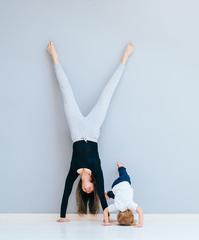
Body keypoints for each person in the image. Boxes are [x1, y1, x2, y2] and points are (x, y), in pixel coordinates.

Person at [46, 41, 134, 222]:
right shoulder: (97, 171)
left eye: (86, 191)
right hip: (93, 131)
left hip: (76, 131)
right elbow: (103, 199)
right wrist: (107, 219)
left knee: (66, 93)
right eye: (91, 191)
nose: (88, 190)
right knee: (107, 94)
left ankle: (54, 58)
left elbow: (66, 192)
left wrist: (62, 217)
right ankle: (124, 59)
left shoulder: (73, 172)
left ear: (82, 187)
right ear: (93, 185)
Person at [102, 163, 144, 227]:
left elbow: (140, 212)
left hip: (125, 181)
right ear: (118, 215)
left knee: (124, 174)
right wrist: (106, 222)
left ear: (131, 213)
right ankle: (107, 194)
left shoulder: (130, 204)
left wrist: (140, 224)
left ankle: (121, 167)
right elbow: (105, 211)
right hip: (115, 186)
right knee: (116, 195)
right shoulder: (116, 206)